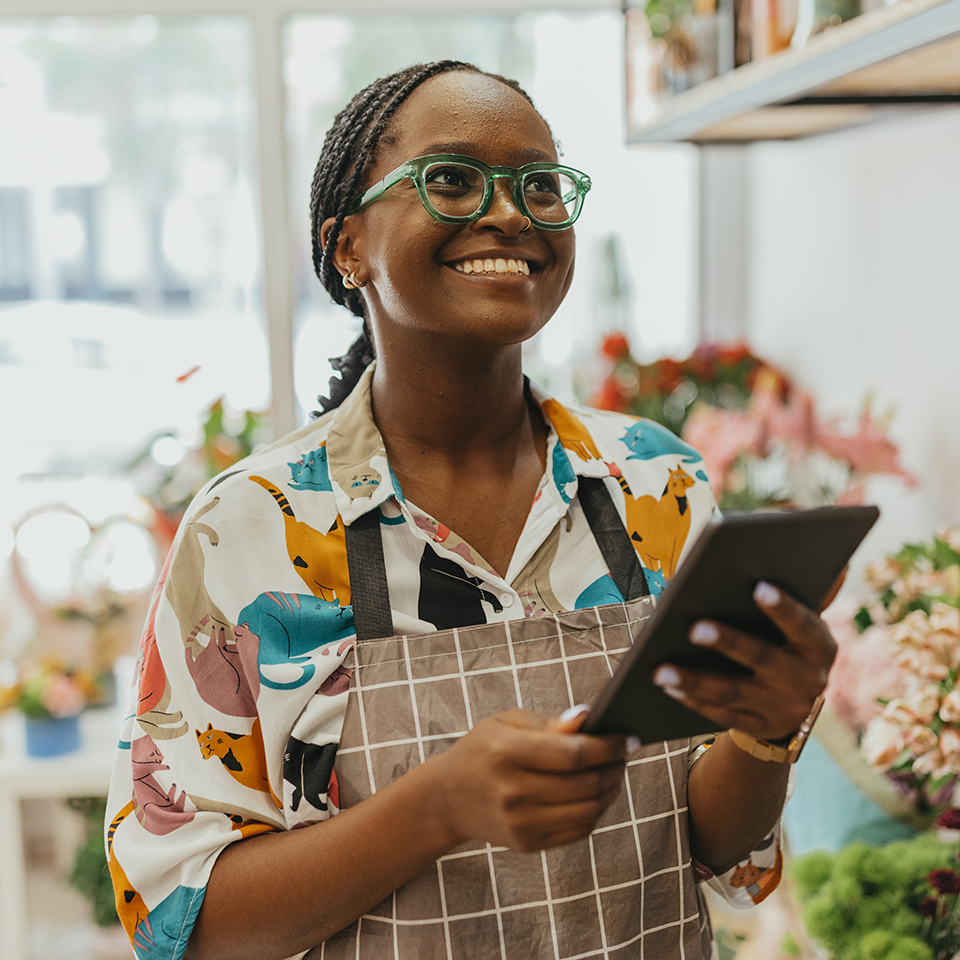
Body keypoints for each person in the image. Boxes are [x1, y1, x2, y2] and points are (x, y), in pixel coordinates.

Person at [105, 60, 837, 960]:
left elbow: (705, 847)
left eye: (540, 185)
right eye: (451, 180)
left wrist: (766, 732)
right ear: (348, 247)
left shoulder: (657, 483)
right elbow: (187, 924)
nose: (510, 213)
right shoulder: (250, 529)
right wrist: (436, 804)